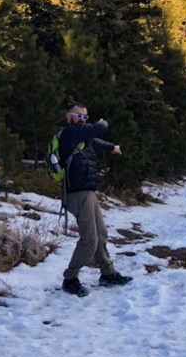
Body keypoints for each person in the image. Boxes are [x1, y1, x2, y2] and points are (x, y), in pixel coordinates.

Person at [57, 103, 133, 296]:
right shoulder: (69, 133)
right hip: (77, 193)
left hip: (89, 192)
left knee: (101, 233)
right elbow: (98, 129)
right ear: (69, 117)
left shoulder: (82, 137)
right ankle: (70, 278)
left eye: (85, 117)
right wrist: (103, 122)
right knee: (89, 239)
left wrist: (112, 147)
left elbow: (96, 142)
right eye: (79, 116)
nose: (83, 120)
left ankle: (107, 273)